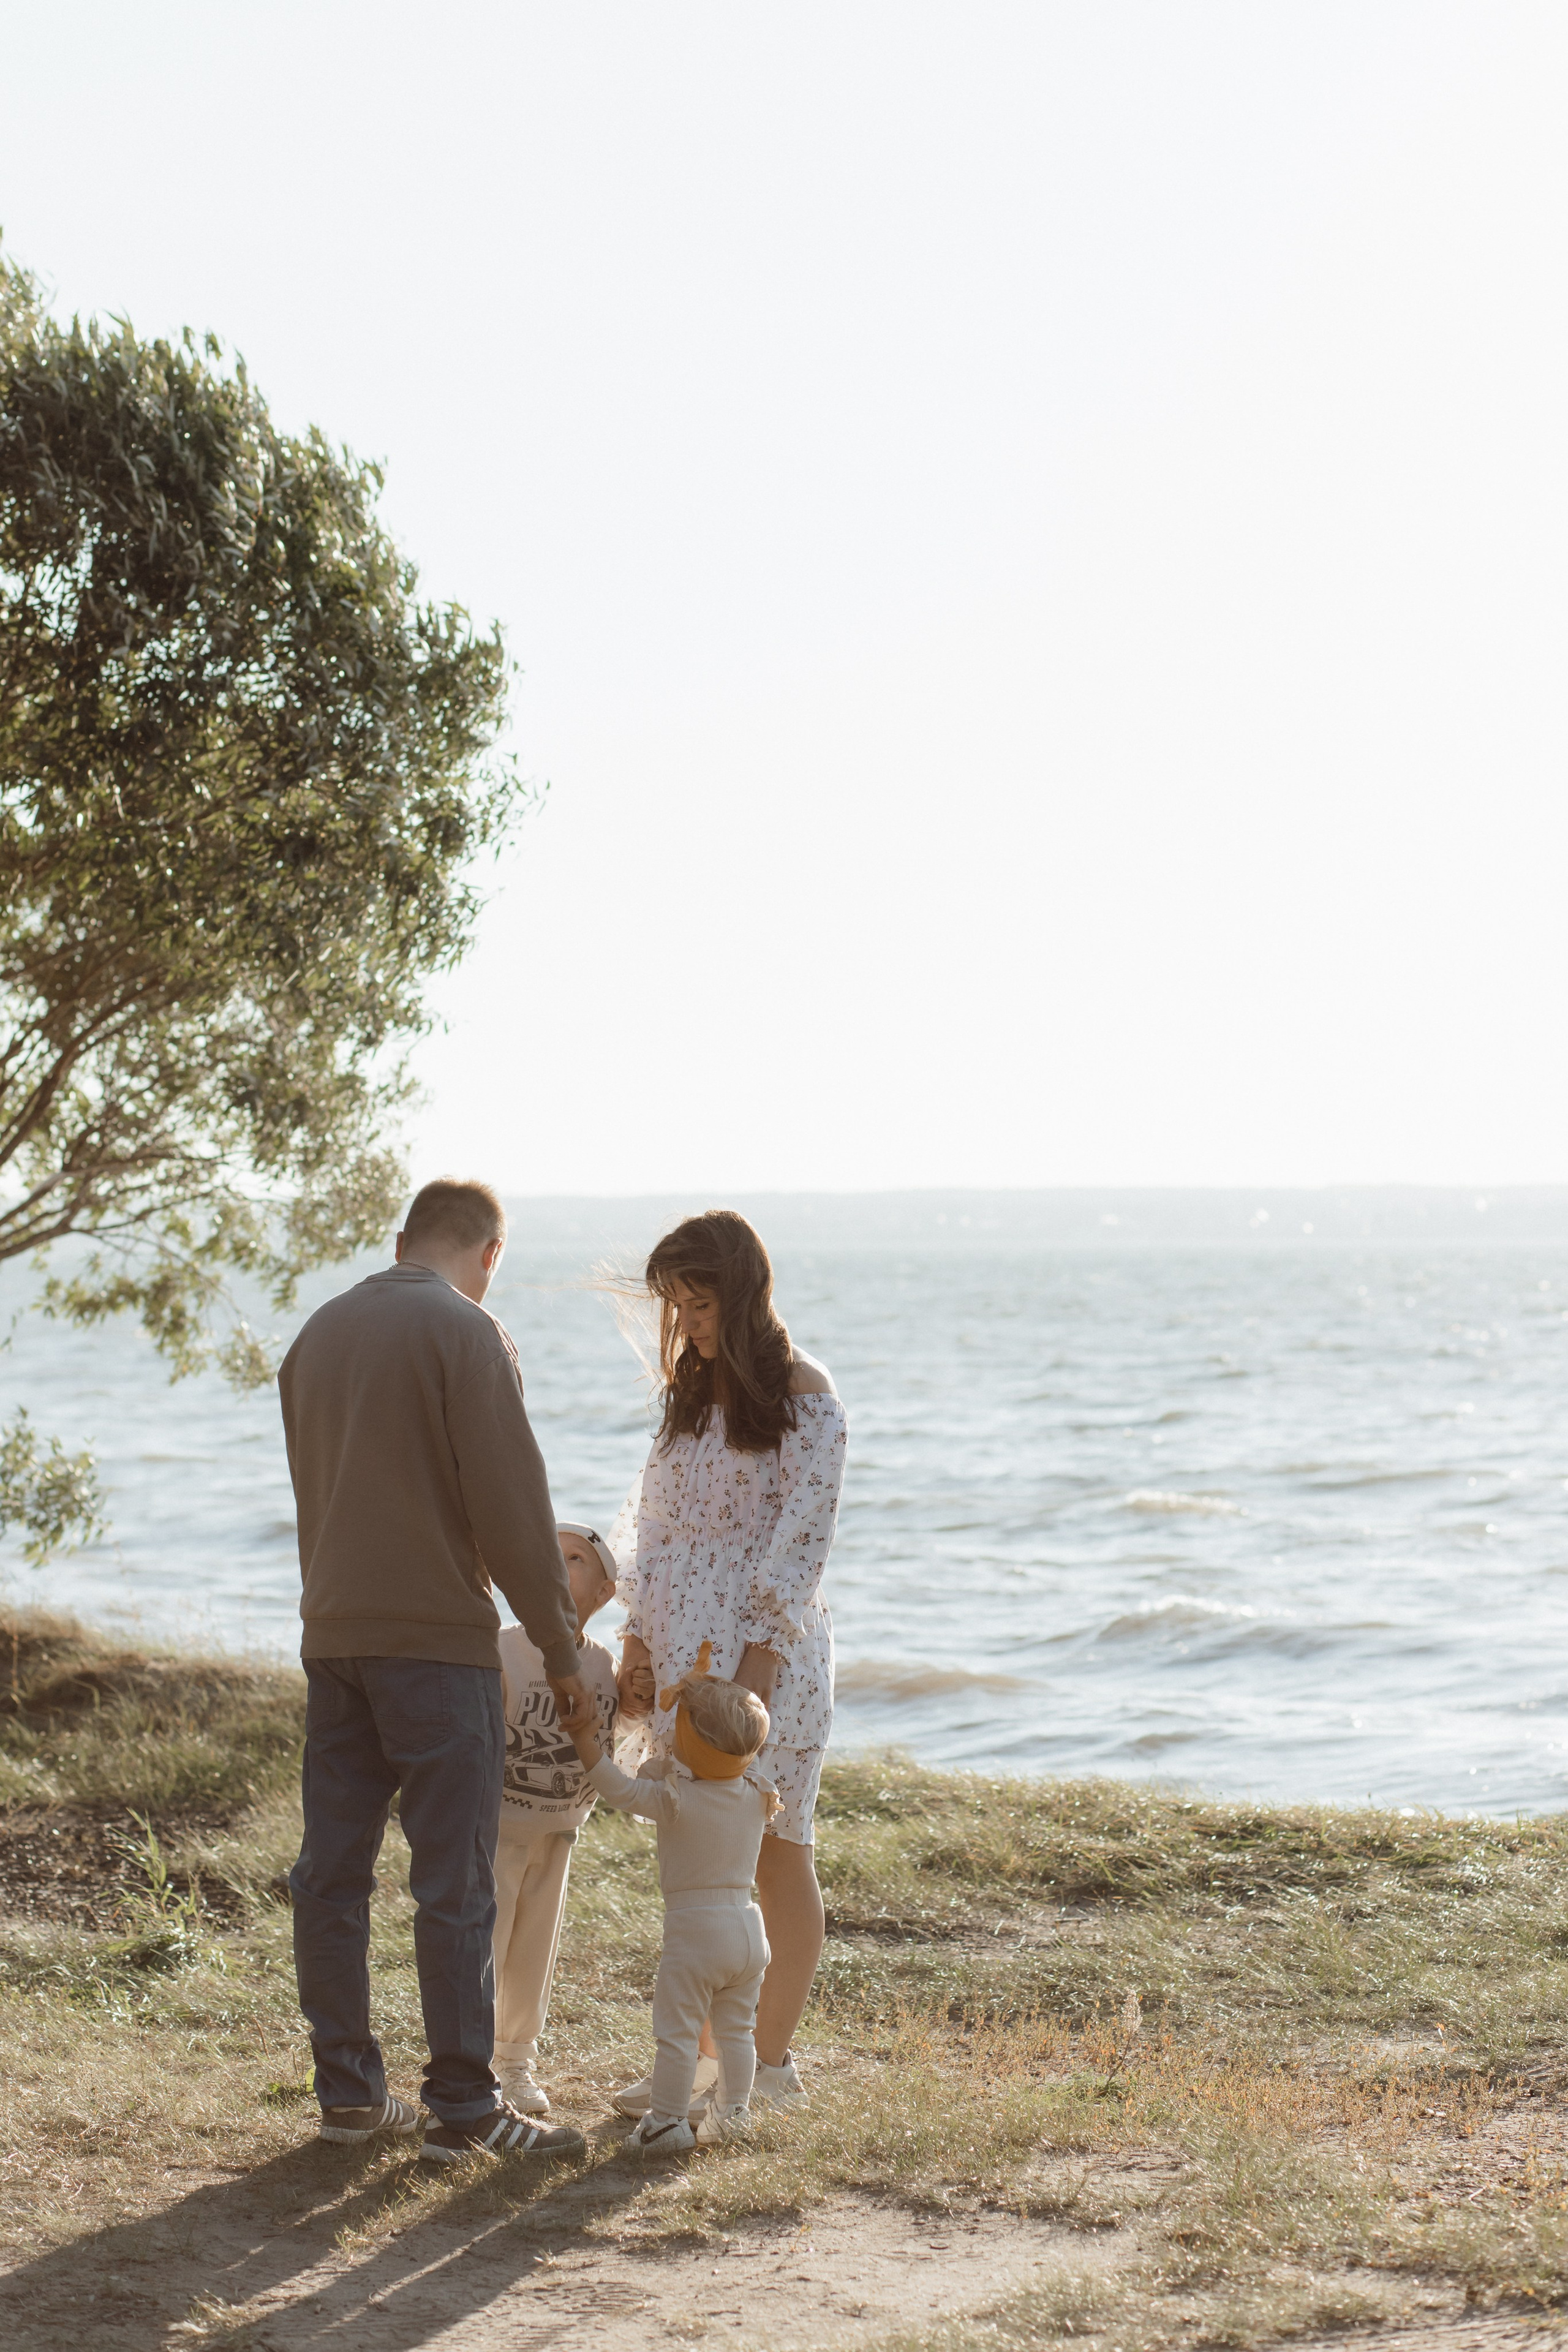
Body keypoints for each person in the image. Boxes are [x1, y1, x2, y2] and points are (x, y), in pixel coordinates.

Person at [277, 1176, 589, 2165]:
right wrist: (561, 1651)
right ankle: (464, 2108)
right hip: (436, 1647)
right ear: (492, 1253)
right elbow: (512, 1510)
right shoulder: (468, 1332)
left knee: (332, 1876)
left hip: (334, 1636)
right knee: (454, 1883)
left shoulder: (317, 1334)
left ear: (400, 1238)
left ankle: (350, 2099)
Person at [612, 1209, 846, 2119]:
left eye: (700, 1304)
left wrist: (757, 1672)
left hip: (765, 1657)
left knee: (777, 1851)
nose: (686, 1322)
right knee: (702, 1872)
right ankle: (700, 2061)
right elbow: (655, 1523)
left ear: (743, 1294)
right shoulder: (691, 1390)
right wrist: (638, 1638)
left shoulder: (804, 1392)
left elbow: (801, 1544)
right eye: (676, 1305)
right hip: (683, 1648)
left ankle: (770, 2065)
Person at [567, 1643, 775, 2152]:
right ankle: (734, 2115)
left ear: (689, 1744)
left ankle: (665, 2123)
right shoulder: (757, 1792)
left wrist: (584, 1741)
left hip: (697, 1933)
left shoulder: (676, 1799)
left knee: (678, 2033)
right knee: (737, 2032)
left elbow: (618, 1788)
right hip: (749, 1931)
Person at [492, 1521, 620, 2115]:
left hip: (560, 1829)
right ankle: (471, 2062)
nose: (558, 1563)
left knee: (533, 1954)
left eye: (576, 1559)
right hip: (496, 1830)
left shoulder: (605, 1666)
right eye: (550, 1553)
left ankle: (516, 2060)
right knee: (486, 1946)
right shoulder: (503, 1647)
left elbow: (621, 1734)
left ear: (605, 1593)